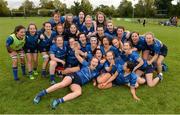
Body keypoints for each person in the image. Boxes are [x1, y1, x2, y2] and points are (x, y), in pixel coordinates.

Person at [33, 53, 102, 109]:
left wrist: (94, 81)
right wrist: (78, 50)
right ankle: (40, 94)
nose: (94, 63)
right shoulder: (86, 64)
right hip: (74, 76)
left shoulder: (96, 72)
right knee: (62, 84)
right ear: (90, 62)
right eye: (93, 61)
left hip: (78, 83)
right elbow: (77, 55)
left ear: (97, 64)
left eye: (96, 62)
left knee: (78, 92)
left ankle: (58, 101)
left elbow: (93, 77)